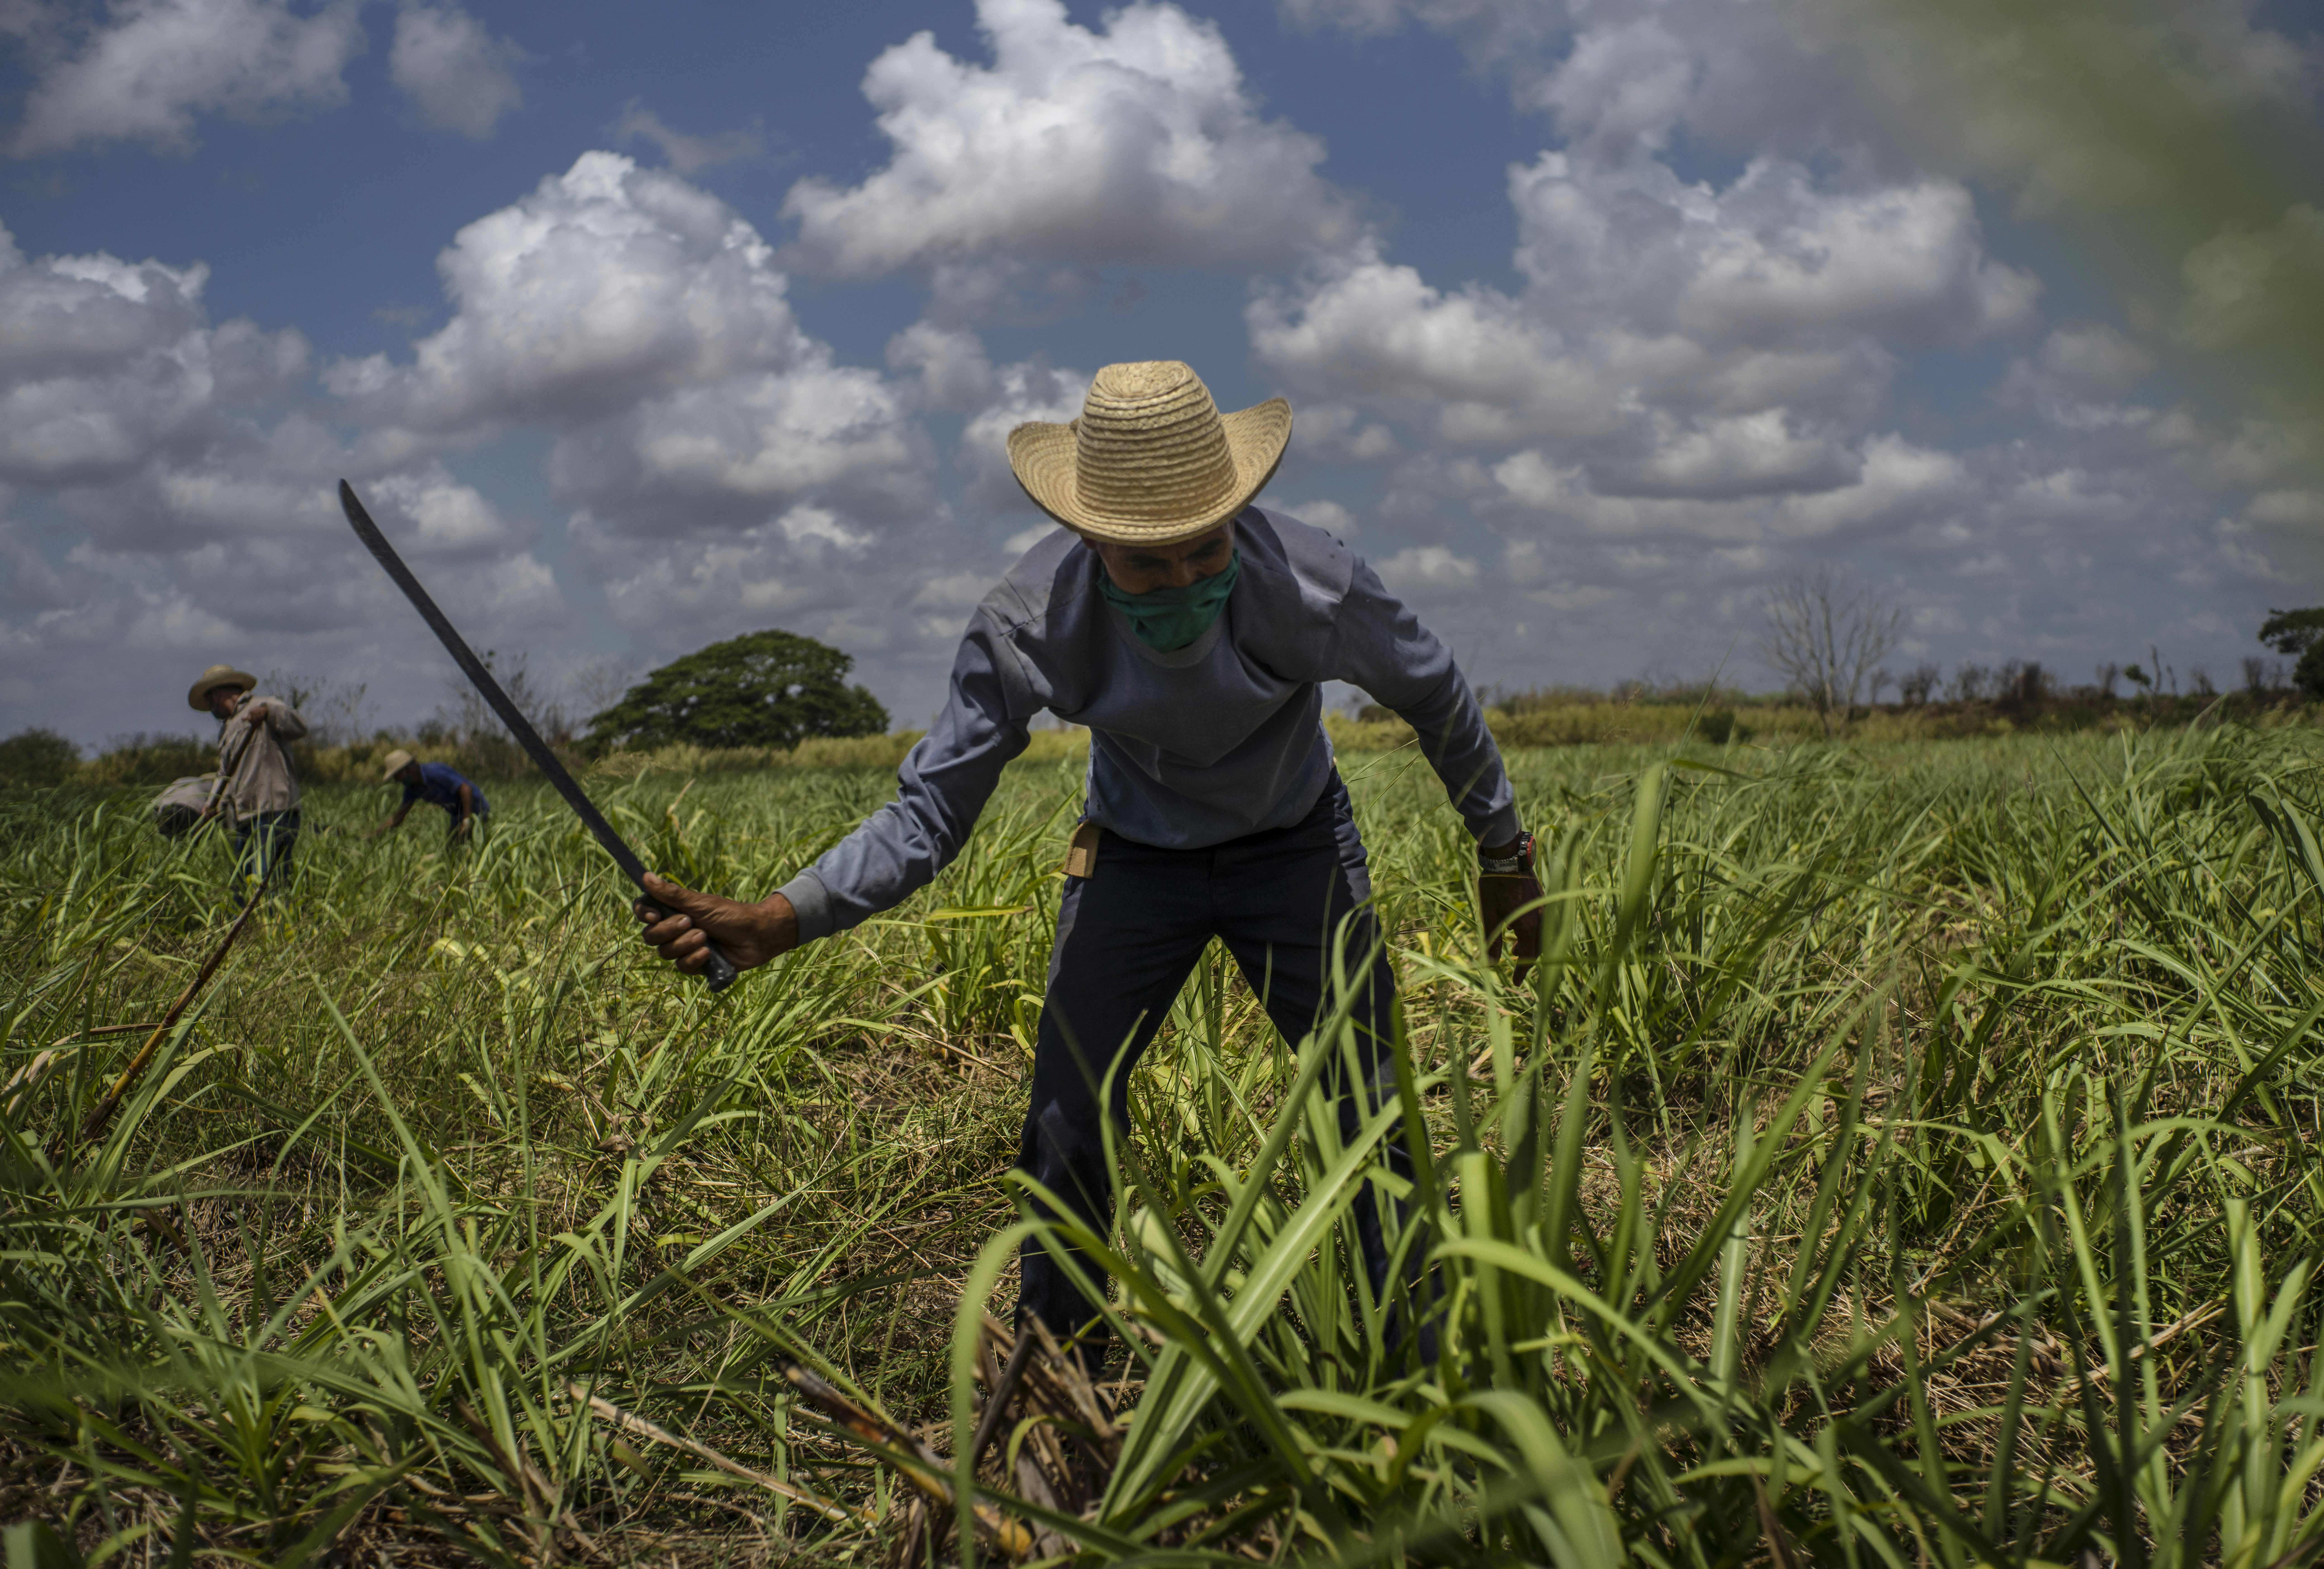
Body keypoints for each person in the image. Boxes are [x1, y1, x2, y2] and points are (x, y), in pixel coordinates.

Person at [634, 360, 1543, 1363]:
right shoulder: (1026, 624)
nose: (1183, 582)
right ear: (1090, 539)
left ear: (1235, 517)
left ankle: (1409, 1365)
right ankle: (1055, 1376)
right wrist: (780, 917)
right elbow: (930, 814)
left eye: (1203, 551)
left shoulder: (1316, 585)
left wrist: (1503, 851)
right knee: (1067, 1116)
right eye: (1145, 564)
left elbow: (1437, 699)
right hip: (1134, 862)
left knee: (1367, 1104)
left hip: (1294, 846)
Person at [189, 664, 307, 891]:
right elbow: (225, 774)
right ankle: (249, 927)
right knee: (241, 885)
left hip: (272, 811)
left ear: (217, 693)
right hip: (242, 816)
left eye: (210, 701)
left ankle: (274, 926)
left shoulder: (264, 705)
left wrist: (269, 714)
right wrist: (212, 805)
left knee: (270, 883)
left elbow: (299, 726)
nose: (211, 708)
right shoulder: (228, 729)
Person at [368, 749, 490, 843]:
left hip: (475, 808)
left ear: (407, 770)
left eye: (397, 776)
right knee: (453, 850)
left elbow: (466, 789)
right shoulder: (412, 789)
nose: (397, 781)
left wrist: (467, 820)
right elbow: (399, 816)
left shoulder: (434, 772)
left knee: (475, 846)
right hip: (457, 814)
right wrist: (374, 834)